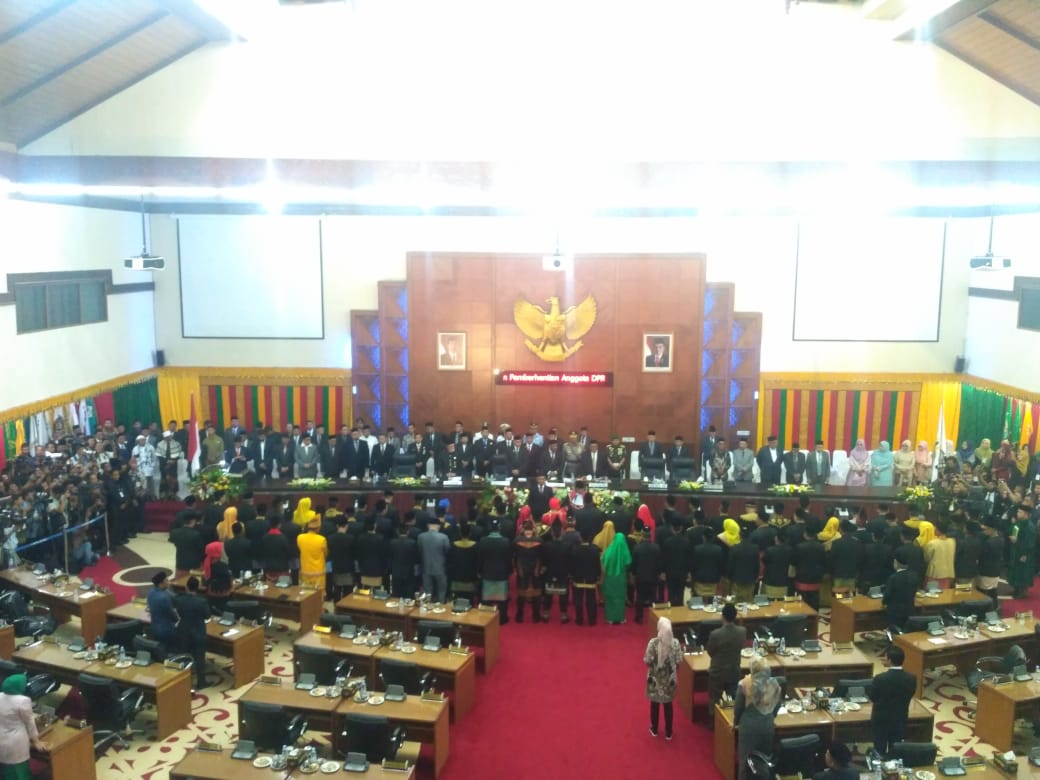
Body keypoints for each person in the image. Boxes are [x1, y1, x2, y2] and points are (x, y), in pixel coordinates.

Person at [734, 657, 781, 780]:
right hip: (767, 725)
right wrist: (770, 717)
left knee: (746, 762)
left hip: (749, 727)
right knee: (764, 761)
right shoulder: (774, 684)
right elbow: (777, 706)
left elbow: (738, 708)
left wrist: (735, 723)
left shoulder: (744, 684)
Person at [869, 645, 917, 755]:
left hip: (881, 719)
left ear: (890, 660)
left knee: (879, 749)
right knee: (895, 750)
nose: (883, 659)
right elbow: (911, 693)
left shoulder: (880, 678)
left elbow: (873, 697)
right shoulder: (911, 678)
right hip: (900, 719)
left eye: (885, 657)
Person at [0, 673, 47, 779]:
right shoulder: (22, 701)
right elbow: (30, 723)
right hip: (15, 743)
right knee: (20, 772)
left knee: (5, 772)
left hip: (1, 740)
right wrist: (36, 741)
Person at [644, 616, 682, 740]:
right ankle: (668, 732)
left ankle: (654, 729)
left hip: (655, 680)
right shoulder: (675, 643)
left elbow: (647, 661)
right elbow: (679, 661)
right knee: (668, 705)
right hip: (669, 680)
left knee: (654, 704)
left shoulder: (653, 643)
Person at [707, 604, 746, 722]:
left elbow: (710, 651)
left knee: (715, 698)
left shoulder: (715, 634)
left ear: (722, 616)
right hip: (734, 670)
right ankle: (731, 721)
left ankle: (713, 722)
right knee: (732, 698)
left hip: (718, 672)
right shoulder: (742, 631)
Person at [176, 576, 210, 689]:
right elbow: (207, 615)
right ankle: (201, 683)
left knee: (184, 657)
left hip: (183, 631)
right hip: (198, 632)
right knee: (200, 658)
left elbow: (179, 613)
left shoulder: (179, 600)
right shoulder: (202, 601)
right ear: (198, 587)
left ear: (187, 587)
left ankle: (184, 683)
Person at [513, 520, 544, 623]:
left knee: (521, 593)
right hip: (536, 569)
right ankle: (536, 615)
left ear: (523, 529)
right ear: (533, 529)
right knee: (536, 593)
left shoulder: (517, 540)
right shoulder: (539, 541)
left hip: (522, 569)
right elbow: (542, 557)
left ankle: (519, 615)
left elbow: (515, 556)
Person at [569, 532, 602, 626]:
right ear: (589, 538)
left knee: (578, 600)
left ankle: (579, 619)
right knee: (591, 600)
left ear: (580, 538)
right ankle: (592, 620)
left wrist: (571, 575)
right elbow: (597, 564)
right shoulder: (595, 550)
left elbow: (572, 565)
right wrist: (598, 575)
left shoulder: (574, 549)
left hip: (577, 578)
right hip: (591, 578)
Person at [602, 530, 631, 625]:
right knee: (620, 598)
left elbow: (603, 560)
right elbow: (628, 562)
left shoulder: (609, 550)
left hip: (609, 578)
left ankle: (610, 618)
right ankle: (620, 618)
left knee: (610, 598)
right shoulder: (625, 550)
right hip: (620, 579)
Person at [418, 516, 450, 602]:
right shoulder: (444, 537)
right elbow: (448, 551)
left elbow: (419, 551)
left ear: (428, 525)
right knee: (441, 591)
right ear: (439, 526)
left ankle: (428, 607)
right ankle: (440, 607)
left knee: (428, 593)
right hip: (440, 568)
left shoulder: (421, 537)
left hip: (426, 568)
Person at [883, 549, 916, 631]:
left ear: (896, 563)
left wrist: (884, 603)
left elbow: (888, 595)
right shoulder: (914, 576)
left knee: (894, 631)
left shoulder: (893, 578)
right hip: (910, 610)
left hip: (895, 612)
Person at [1008, 504, 1036, 598]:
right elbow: (1013, 531)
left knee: (1023, 572)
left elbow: (1030, 542)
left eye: (1020, 512)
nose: (1017, 513)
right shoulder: (1018, 522)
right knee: (1015, 570)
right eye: (1018, 511)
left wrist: (1025, 554)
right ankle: (1016, 589)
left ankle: (1022, 591)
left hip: (1024, 553)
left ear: (1026, 514)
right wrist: (1012, 537)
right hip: (1016, 550)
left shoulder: (1030, 526)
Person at [147, 571, 178, 651]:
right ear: (161, 583)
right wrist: (177, 619)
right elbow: (172, 615)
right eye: (166, 580)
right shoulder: (164, 597)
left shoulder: (150, 593)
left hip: (154, 627)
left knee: (160, 650)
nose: (168, 582)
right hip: (166, 630)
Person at [298, 516, 329, 595]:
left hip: (305, 570)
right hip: (318, 572)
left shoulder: (300, 537)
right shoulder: (322, 539)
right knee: (318, 594)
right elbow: (326, 553)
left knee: (306, 592)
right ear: (318, 528)